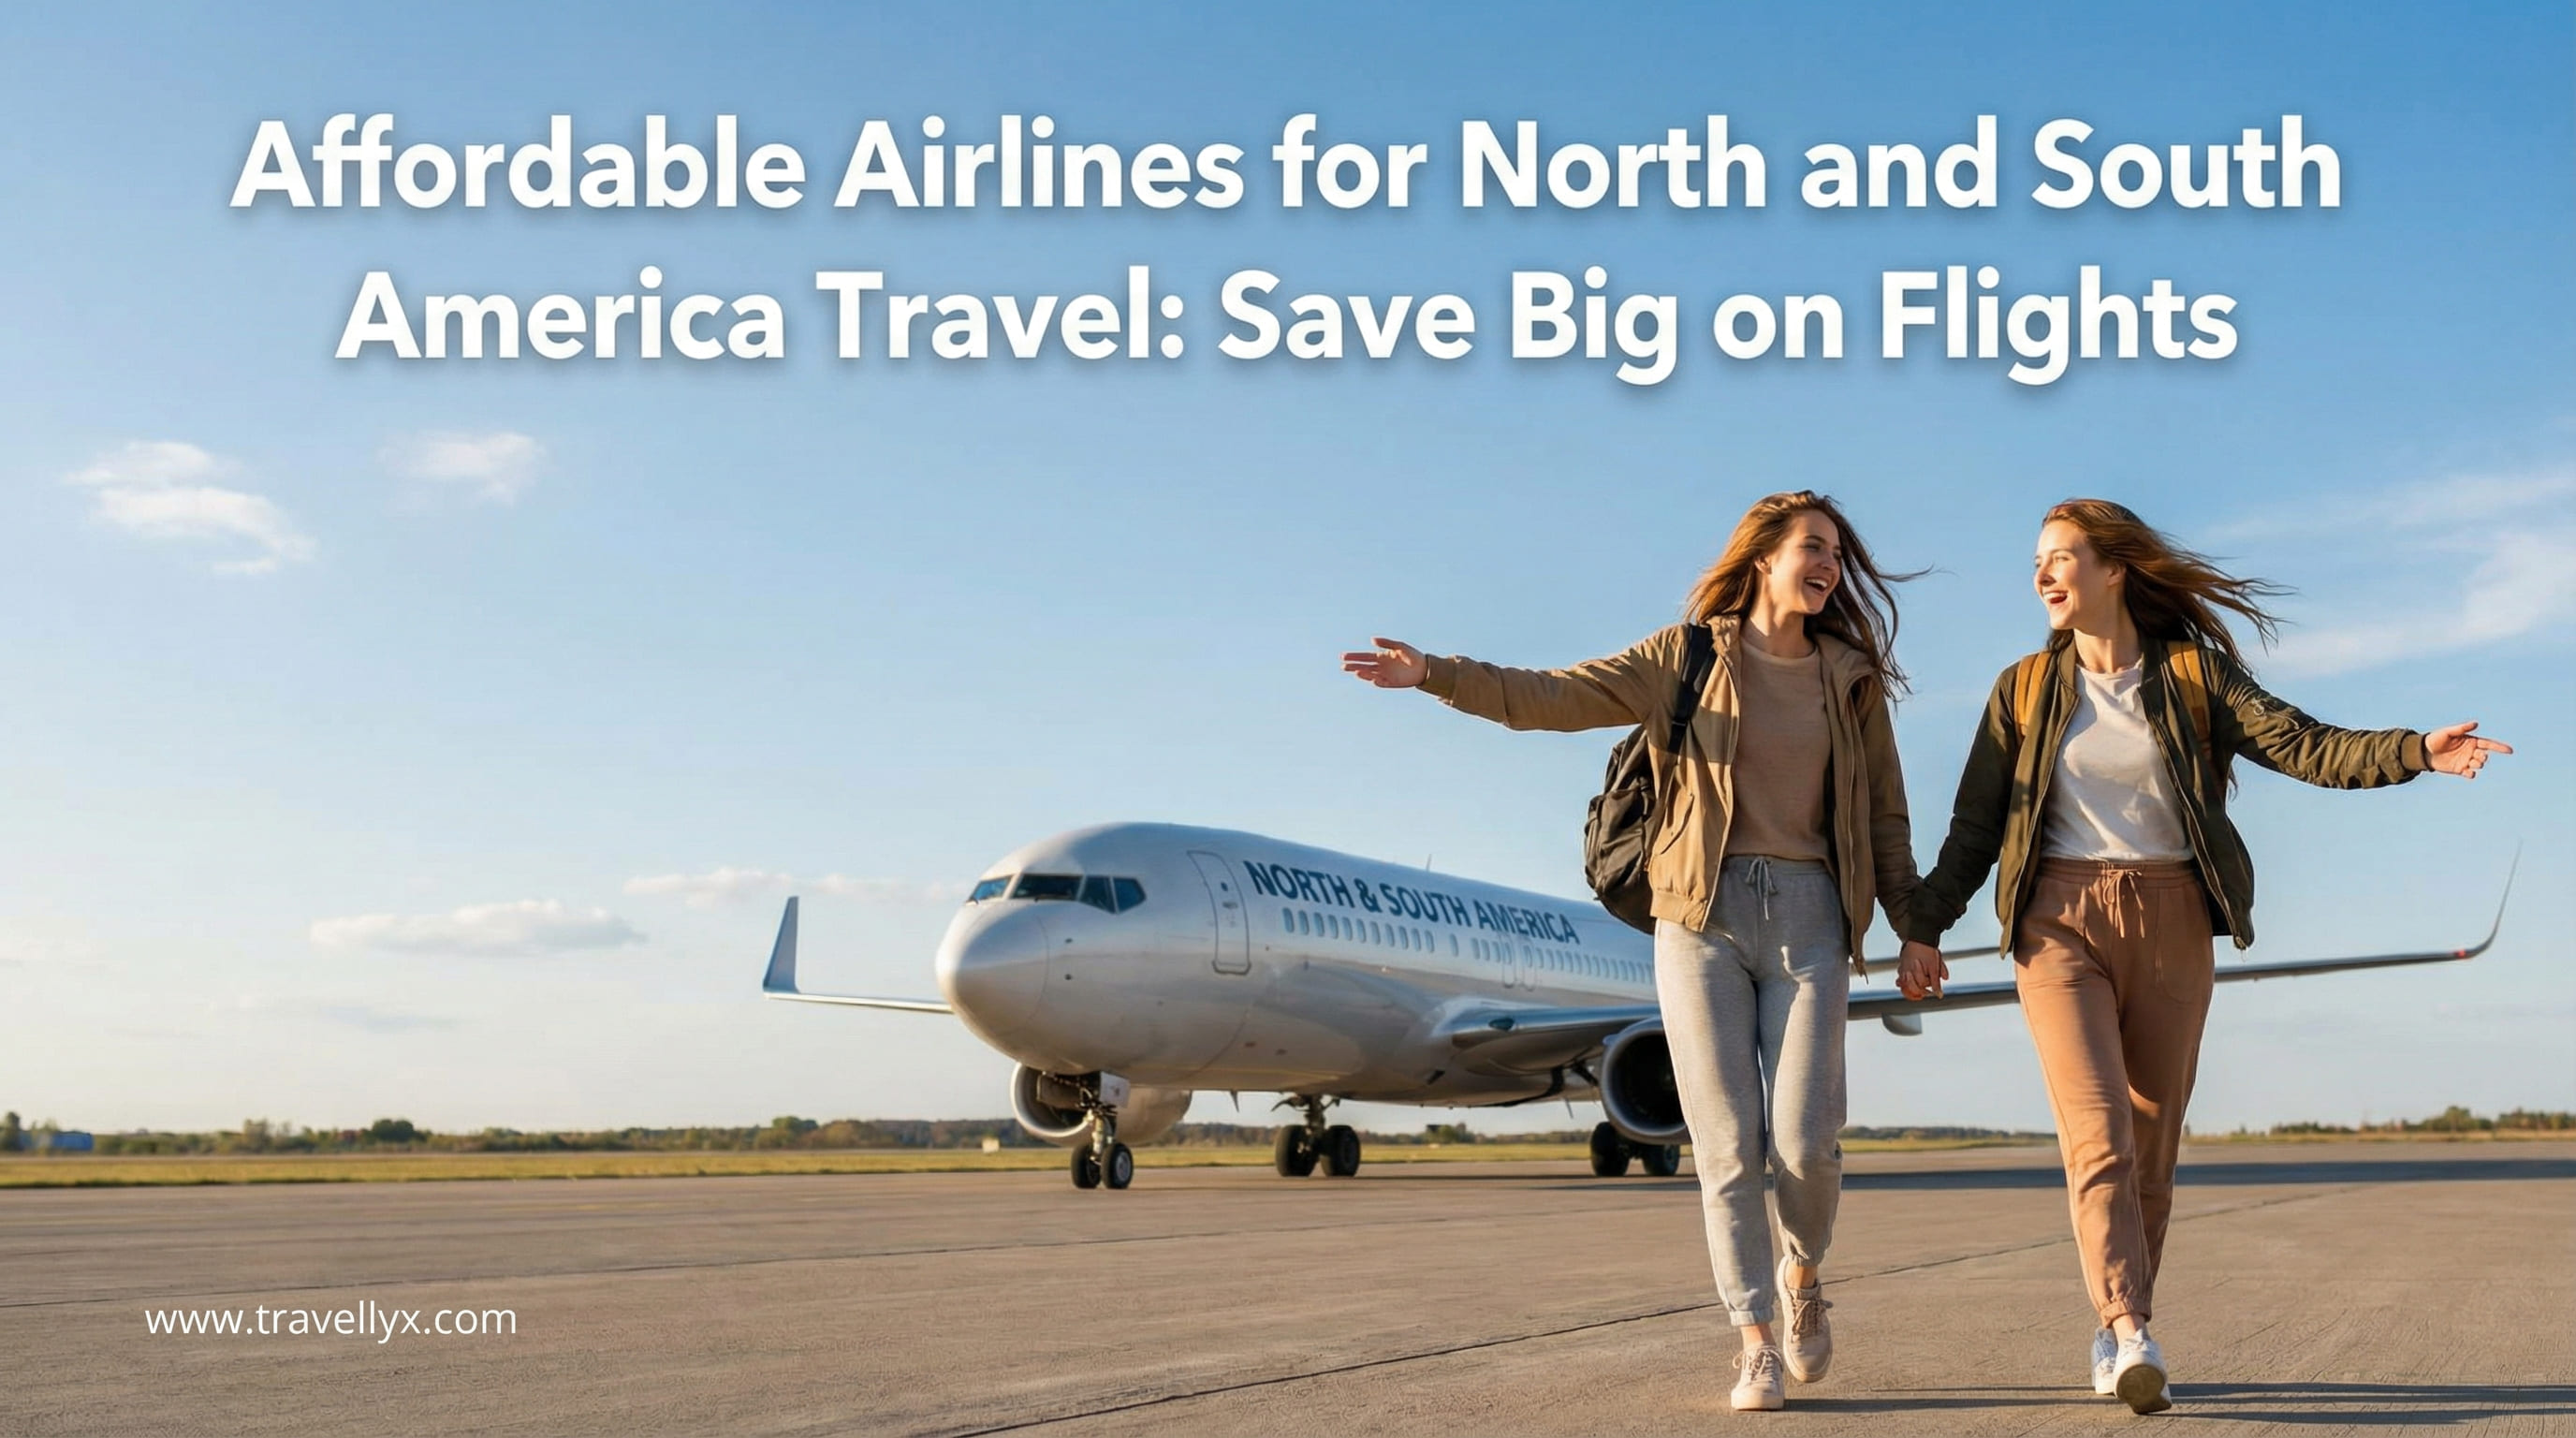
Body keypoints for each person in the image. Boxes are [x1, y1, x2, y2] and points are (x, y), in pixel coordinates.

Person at [1896, 499, 2510, 1415]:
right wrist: (1923, 926)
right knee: (2097, 1131)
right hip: (2057, 923)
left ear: (2114, 570)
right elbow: (1975, 827)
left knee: (2151, 1139)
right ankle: (2131, 1324)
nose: (2042, 575)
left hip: (2174, 916)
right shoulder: (2021, 688)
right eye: (2035, 562)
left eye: (2061, 557)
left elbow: (2302, 743)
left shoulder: (2192, 676)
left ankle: (2115, 1327)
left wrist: (2413, 751)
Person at [1344, 491, 1946, 1412]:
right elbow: (1550, 697)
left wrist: (1913, 925)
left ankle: (1802, 1274)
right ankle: (1752, 1344)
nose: (1828, 564)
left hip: (1811, 920)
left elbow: (1885, 818)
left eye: (1835, 551)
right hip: (1697, 919)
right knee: (1725, 1147)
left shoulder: (1848, 676)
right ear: (1761, 559)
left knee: (1805, 1144)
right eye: (1811, 548)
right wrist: (1435, 673)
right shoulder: (1688, 655)